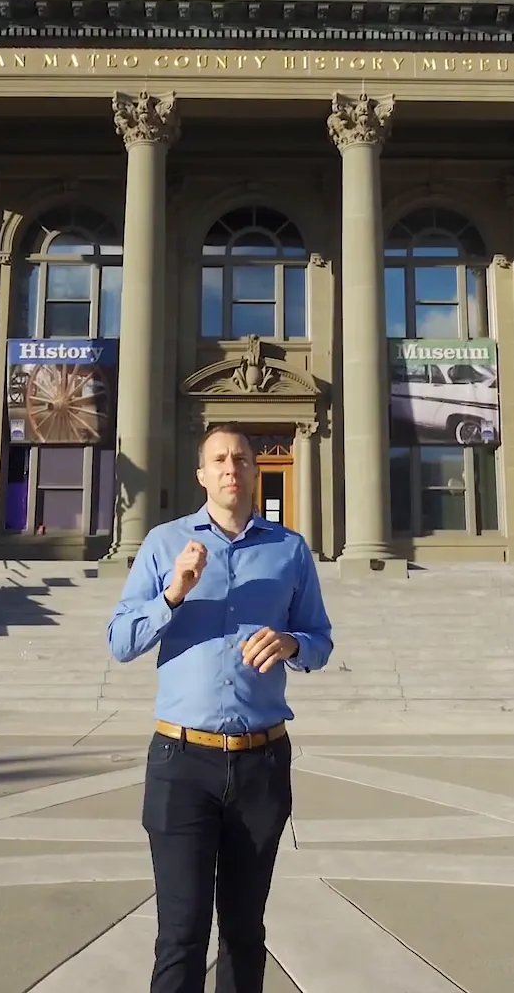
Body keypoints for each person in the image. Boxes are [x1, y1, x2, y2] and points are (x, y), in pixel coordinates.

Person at [107, 422, 333, 993]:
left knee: (242, 929)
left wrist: (292, 645)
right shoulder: (164, 544)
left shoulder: (290, 550)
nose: (232, 467)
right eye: (220, 459)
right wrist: (173, 592)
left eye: (242, 458)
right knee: (180, 934)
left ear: (256, 472)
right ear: (202, 475)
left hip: (261, 764)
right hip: (182, 763)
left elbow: (319, 639)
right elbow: (120, 641)